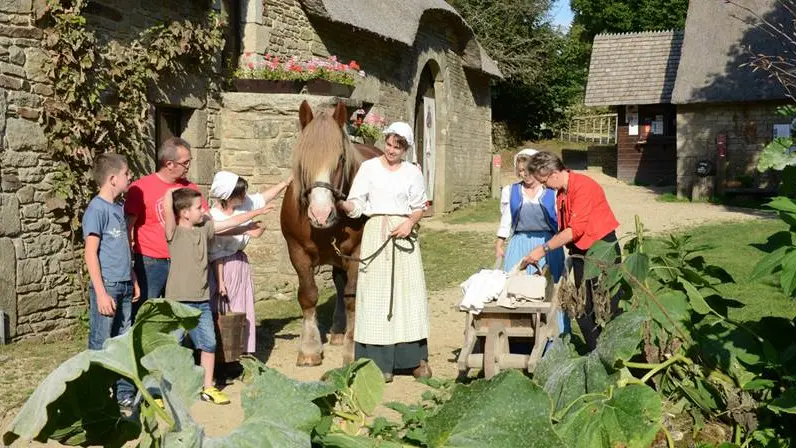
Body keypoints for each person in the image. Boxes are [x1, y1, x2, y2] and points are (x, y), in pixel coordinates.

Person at [336, 122, 431, 383]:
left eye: (397, 147)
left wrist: (409, 223)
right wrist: (345, 205)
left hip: (403, 233)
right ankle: (377, 362)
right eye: (388, 144)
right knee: (376, 296)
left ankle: (412, 359)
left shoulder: (412, 173)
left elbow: (419, 206)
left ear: (405, 149)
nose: (391, 150)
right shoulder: (369, 168)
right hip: (376, 231)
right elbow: (357, 203)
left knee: (406, 294)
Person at [163, 187, 274, 405]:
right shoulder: (174, 233)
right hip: (177, 302)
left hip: (202, 301)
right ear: (184, 213)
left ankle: (208, 388)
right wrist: (171, 192)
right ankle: (163, 390)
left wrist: (253, 217)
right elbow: (168, 209)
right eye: (198, 208)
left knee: (209, 344)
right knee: (172, 345)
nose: (203, 210)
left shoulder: (204, 230)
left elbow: (229, 224)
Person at [521, 151, 621, 350]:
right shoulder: (562, 193)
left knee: (608, 304)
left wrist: (543, 249)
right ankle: (595, 352)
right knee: (584, 306)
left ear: (553, 173)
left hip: (602, 250)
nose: (544, 186)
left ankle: (618, 353)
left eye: (544, 181)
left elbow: (575, 230)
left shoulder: (583, 187)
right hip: (581, 252)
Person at [208, 171, 292, 356]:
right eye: (241, 193)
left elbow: (262, 198)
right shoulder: (214, 215)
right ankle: (223, 355)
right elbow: (216, 249)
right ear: (228, 197)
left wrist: (284, 183)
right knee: (223, 310)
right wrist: (220, 281)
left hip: (240, 263)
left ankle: (241, 352)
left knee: (242, 308)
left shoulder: (244, 204)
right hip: (222, 267)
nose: (245, 196)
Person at [82, 153, 140, 408]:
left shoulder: (118, 207)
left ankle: (124, 394)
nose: (130, 177)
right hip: (108, 287)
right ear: (113, 179)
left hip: (124, 284)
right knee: (101, 342)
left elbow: (124, 246)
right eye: (127, 173)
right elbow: (90, 253)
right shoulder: (96, 209)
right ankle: (95, 397)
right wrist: (101, 293)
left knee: (123, 342)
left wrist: (133, 276)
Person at [125, 137, 208, 314]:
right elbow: (128, 227)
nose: (188, 166)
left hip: (182, 260)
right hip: (151, 261)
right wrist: (128, 261)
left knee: (181, 312)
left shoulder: (191, 188)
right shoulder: (141, 188)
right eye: (185, 162)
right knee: (147, 311)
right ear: (169, 164)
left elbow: (206, 218)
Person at [496, 148, 568, 336]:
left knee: (550, 289)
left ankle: (555, 334)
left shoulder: (551, 191)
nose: (525, 174)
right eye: (521, 170)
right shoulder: (511, 191)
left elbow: (561, 220)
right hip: (520, 244)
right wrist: (500, 242)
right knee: (516, 289)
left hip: (547, 244)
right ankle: (519, 335)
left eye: (528, 170)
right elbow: (506, 219)